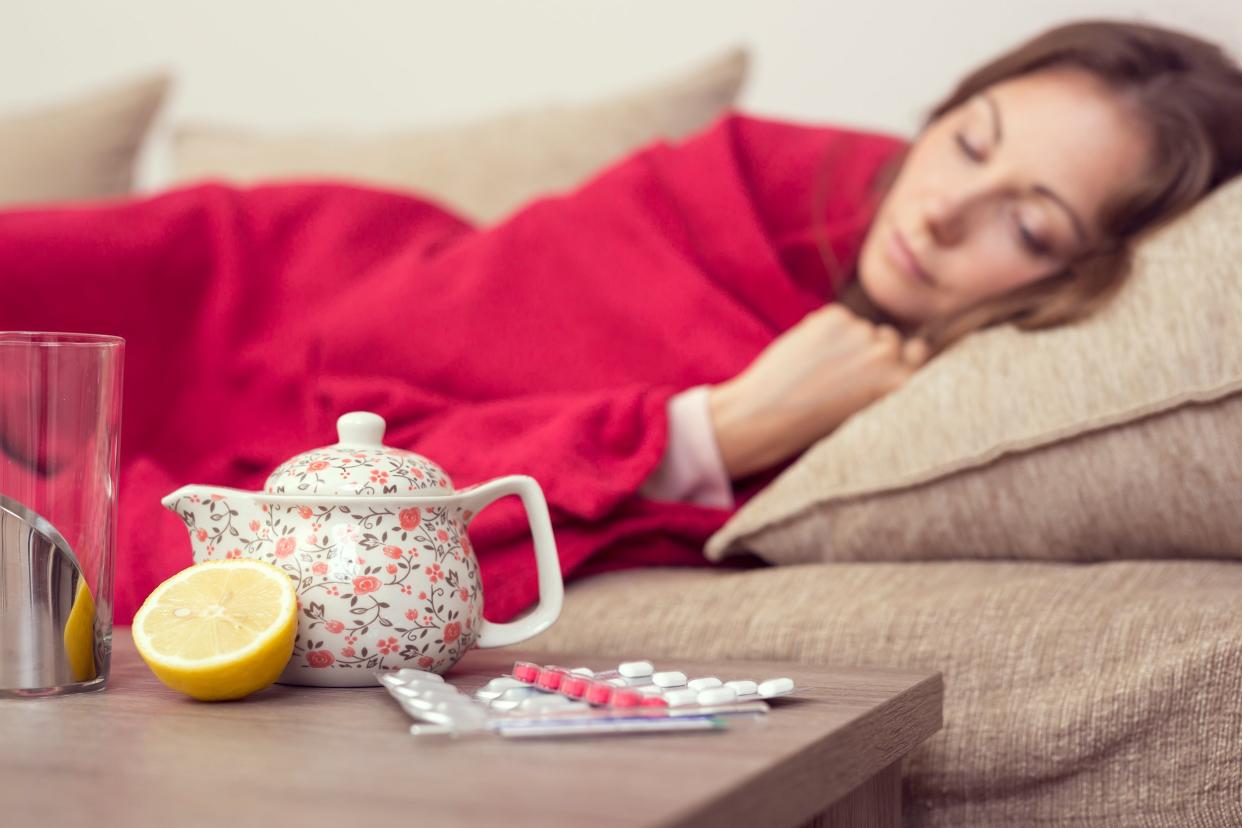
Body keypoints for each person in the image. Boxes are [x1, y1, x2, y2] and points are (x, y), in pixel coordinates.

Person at [1, 19, 1240, 626]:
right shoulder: (763, 175)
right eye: (968, 140)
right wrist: (715, 421)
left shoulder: (951, 391)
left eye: (1027, 228)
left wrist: (719, 429)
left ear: (1076, 282)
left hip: (306, 426)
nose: (944, 210)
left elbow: (426, 486)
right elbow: (415, 343)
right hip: (290, 280)